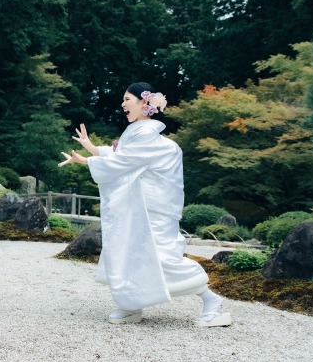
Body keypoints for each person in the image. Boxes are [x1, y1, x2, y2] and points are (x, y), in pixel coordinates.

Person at [58, 82, 231, 327]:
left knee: (161, 256)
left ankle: (212, 302)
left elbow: (124, 161)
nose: (123, 104)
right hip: (141, 206)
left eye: (127, 98)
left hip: (152, 208)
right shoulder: (141, 133)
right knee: (131, 252)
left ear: (144, 103)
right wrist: (91, 149)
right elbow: (122, 155)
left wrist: (86, 160)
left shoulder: (146, 135)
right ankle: (131, 305)